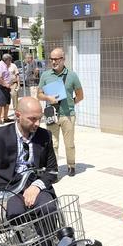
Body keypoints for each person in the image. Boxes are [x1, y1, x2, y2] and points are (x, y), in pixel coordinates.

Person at [0, 96, 58, 218]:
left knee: (48, 208)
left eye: (39, 118)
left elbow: (52, 170)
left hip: (35, 184)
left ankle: (49, 237)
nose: (37, 123)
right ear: (18, 115)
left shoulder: (44, 136)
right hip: (7, 188)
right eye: (32, 119)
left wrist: (36, 186)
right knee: (15, 213)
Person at [37, 47, 84, 177]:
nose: (53, 62)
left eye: (56, 59)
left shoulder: (72, 75)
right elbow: (39, 94)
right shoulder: (46, 75)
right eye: (51, 59)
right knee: (53, 144)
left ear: (63, 59)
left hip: (67, 114)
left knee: (69, 144)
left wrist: (70, 103)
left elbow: (80, 95)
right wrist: (48, 98)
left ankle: (71, 165)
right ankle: (54, 170)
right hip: (50, 114)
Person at [0, 55, 11, 124]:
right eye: (10, 60)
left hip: (6, 87)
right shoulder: (0, 65)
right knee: (0, 103)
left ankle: (5, 117)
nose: (10, 62)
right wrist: (5, 84)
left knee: (7, 103)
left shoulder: (5, 65)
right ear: (6, 60)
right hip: (0, 87)